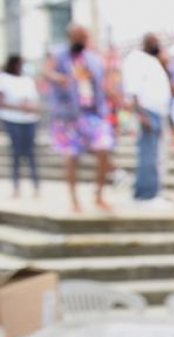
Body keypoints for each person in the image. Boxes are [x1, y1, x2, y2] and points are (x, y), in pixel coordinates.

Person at [43, 24, 114, 212]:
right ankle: (74, 201)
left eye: (85, 37)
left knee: (104, 149)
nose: (82, 41)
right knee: (72, 157)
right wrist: (60, 78)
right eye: (79, 37)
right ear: (70, 37)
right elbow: (46, 72)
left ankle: (99, 195)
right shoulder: (58, 55)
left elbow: (103, 83)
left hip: (93, 113)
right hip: (68, 115)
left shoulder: (93, 58)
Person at [121, 34, 173, 206]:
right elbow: (133, 90)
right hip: (148, 112)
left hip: (157, 111)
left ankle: (144, 190)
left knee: (154, 154)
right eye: (154, 42)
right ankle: (148, 194)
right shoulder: (136, 60)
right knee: (148, 154)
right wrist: (143, 115)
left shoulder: (151, 61)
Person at [0, 55, 40, 199]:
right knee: (16, 153)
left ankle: (36, 186)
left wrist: (31, 107)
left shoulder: (27, 80)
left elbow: (35, 100)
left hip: (29, 120)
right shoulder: (4, 79)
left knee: (30, 153)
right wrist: (19, 107)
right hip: (12, 119)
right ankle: (16, 186)